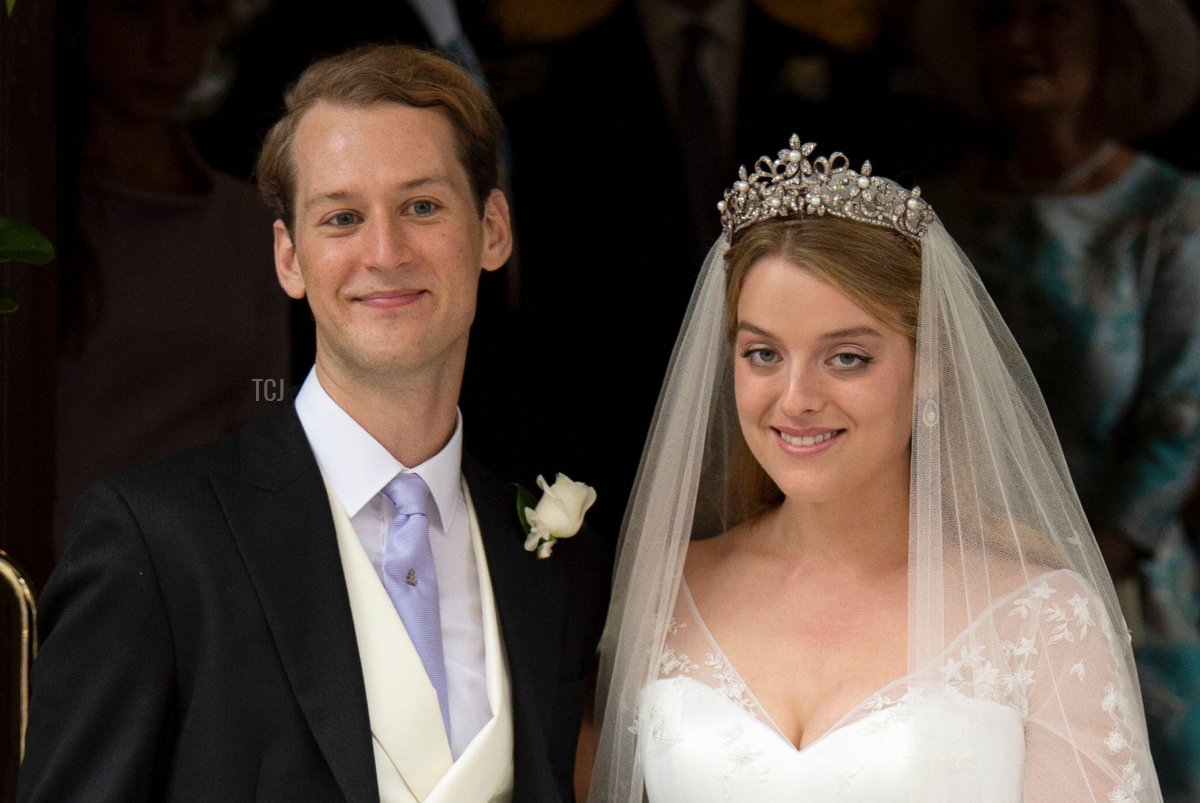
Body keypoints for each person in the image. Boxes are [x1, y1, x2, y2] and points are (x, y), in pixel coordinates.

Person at [18, 44, 606, 802]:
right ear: (289, 257)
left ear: (493, 228)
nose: (385, 252)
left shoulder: (557, 570)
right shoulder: (155, 540)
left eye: (422, 206)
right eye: (343, 218)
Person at [589, 136, 1162, 802]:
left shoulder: (1043, 619)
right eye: (763, 354)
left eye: (847, 358)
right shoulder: (669, 588)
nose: (796, 399)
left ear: (930, 366)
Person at [912, 1, 1200, 795]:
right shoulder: (938, 213)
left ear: (1110, 37)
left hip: (1128, 589)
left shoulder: (1169, 213)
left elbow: (1184, 419)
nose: (1018, 38)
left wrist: (1073, 579)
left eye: (1048, 13)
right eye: (996, 18)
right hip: (958, 574)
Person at [53, 0, 292, 544]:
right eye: (137, 13)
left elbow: (265, 405)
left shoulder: (250, 223)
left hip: (205, 555)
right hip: (55, 554)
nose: (167, 48)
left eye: (195, 15)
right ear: (75, 21)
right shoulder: (32, 216)